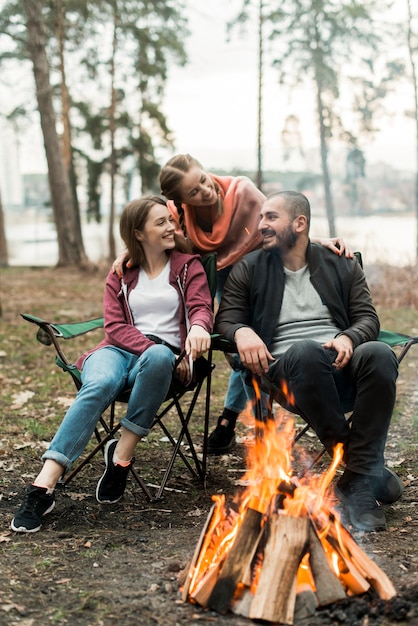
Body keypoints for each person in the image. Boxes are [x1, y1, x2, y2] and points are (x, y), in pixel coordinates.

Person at [114, 154, 353, 456]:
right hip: (214, 277)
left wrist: (316, 240)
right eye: (194, 192)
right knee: (237, 348)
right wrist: (128, 251)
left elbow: (279, 224)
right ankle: (242, 422)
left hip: (259, 274)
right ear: (181, 200)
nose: (205, 190)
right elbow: (152, 230)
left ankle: (240, 422)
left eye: (203, 179)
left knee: (252, 354)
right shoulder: (176, 212)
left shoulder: (243, 193)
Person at [11, 195, 213, 533]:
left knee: (161, 355)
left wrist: (198, 327)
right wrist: (148, 346)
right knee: (102, 382)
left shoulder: (187, 267)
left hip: (162, 360)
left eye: (170, 220)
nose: (170, 226)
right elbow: (116, 327)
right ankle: (43, 485)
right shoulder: (121, 273)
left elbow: (201, 307)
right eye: (160, 222)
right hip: (116, 350)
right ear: (138, 233)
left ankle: (120, 458)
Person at [214, 190, 401, 532]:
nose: (261, 225)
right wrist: (241, 331)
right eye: (260, 217)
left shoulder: (339, 262)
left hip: (341, 366)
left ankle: (355, 478)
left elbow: (367, 319)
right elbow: (225, 318)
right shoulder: (250, 267)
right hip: (286, 371)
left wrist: (348, 337)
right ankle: (365, 470)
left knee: (378, 353)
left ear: (299, 223)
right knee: (305, 350)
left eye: (271, 217)